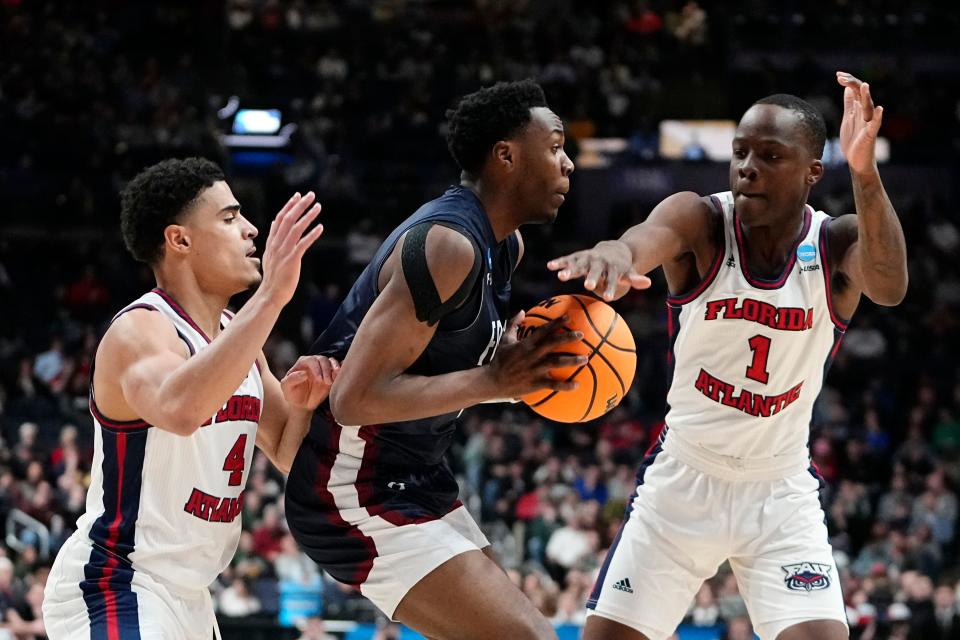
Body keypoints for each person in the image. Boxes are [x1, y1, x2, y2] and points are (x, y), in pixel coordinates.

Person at [549, 71, 907, 640]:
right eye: (740, 152)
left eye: (770, 155)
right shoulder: (703, 220)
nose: (747, 167)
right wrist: (617, 253)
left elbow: (889, 285)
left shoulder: (834, 243)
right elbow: (648, 237)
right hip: (682, 483)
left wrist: (865, 174)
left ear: (814, 171)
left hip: (780, 491)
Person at [285, 80, 577, 640]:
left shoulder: (503, 246)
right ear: (507, 156)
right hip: (352, 487)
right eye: (556, 146)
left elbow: (449, 359)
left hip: (418, 474)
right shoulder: (448, 243)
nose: (567, 165)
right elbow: (352, 400)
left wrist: (507, 356)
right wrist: (492, 380)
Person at [42, 158, 338, 639]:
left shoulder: (236, 339)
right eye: (229, 217)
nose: (251, 230)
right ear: (180, 240)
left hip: (191, 595)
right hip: (118, 580)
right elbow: (180, 410)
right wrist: (271, 296)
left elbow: (288, 449)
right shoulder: (140, 330)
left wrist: (305, 403)